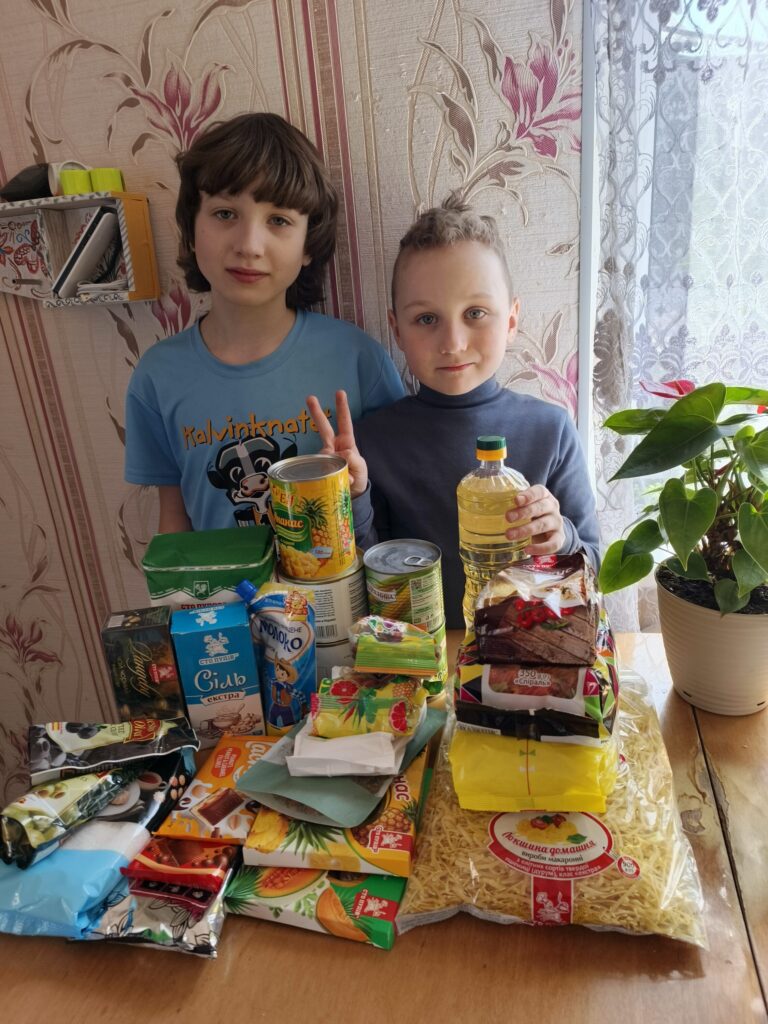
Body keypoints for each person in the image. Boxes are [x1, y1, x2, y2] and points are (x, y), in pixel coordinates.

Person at [307, 195, 599, 629]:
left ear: (511, 320)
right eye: (427, 319)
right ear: (397, 330)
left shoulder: (550, 429)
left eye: (475, 313)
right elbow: (367, 579)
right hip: (420, 654)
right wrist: (352, 494)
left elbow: (593, 568)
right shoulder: (373, 442)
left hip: (521, 653)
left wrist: (562, 537)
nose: (453, 343)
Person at [125, 113, 404, 533]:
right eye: (225, 213)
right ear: (192, 229)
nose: (249, 245)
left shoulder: (359, 359)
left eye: (278, 220)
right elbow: (174, 519)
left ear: (308, 244)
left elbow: (397, 504)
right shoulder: (157, 377)